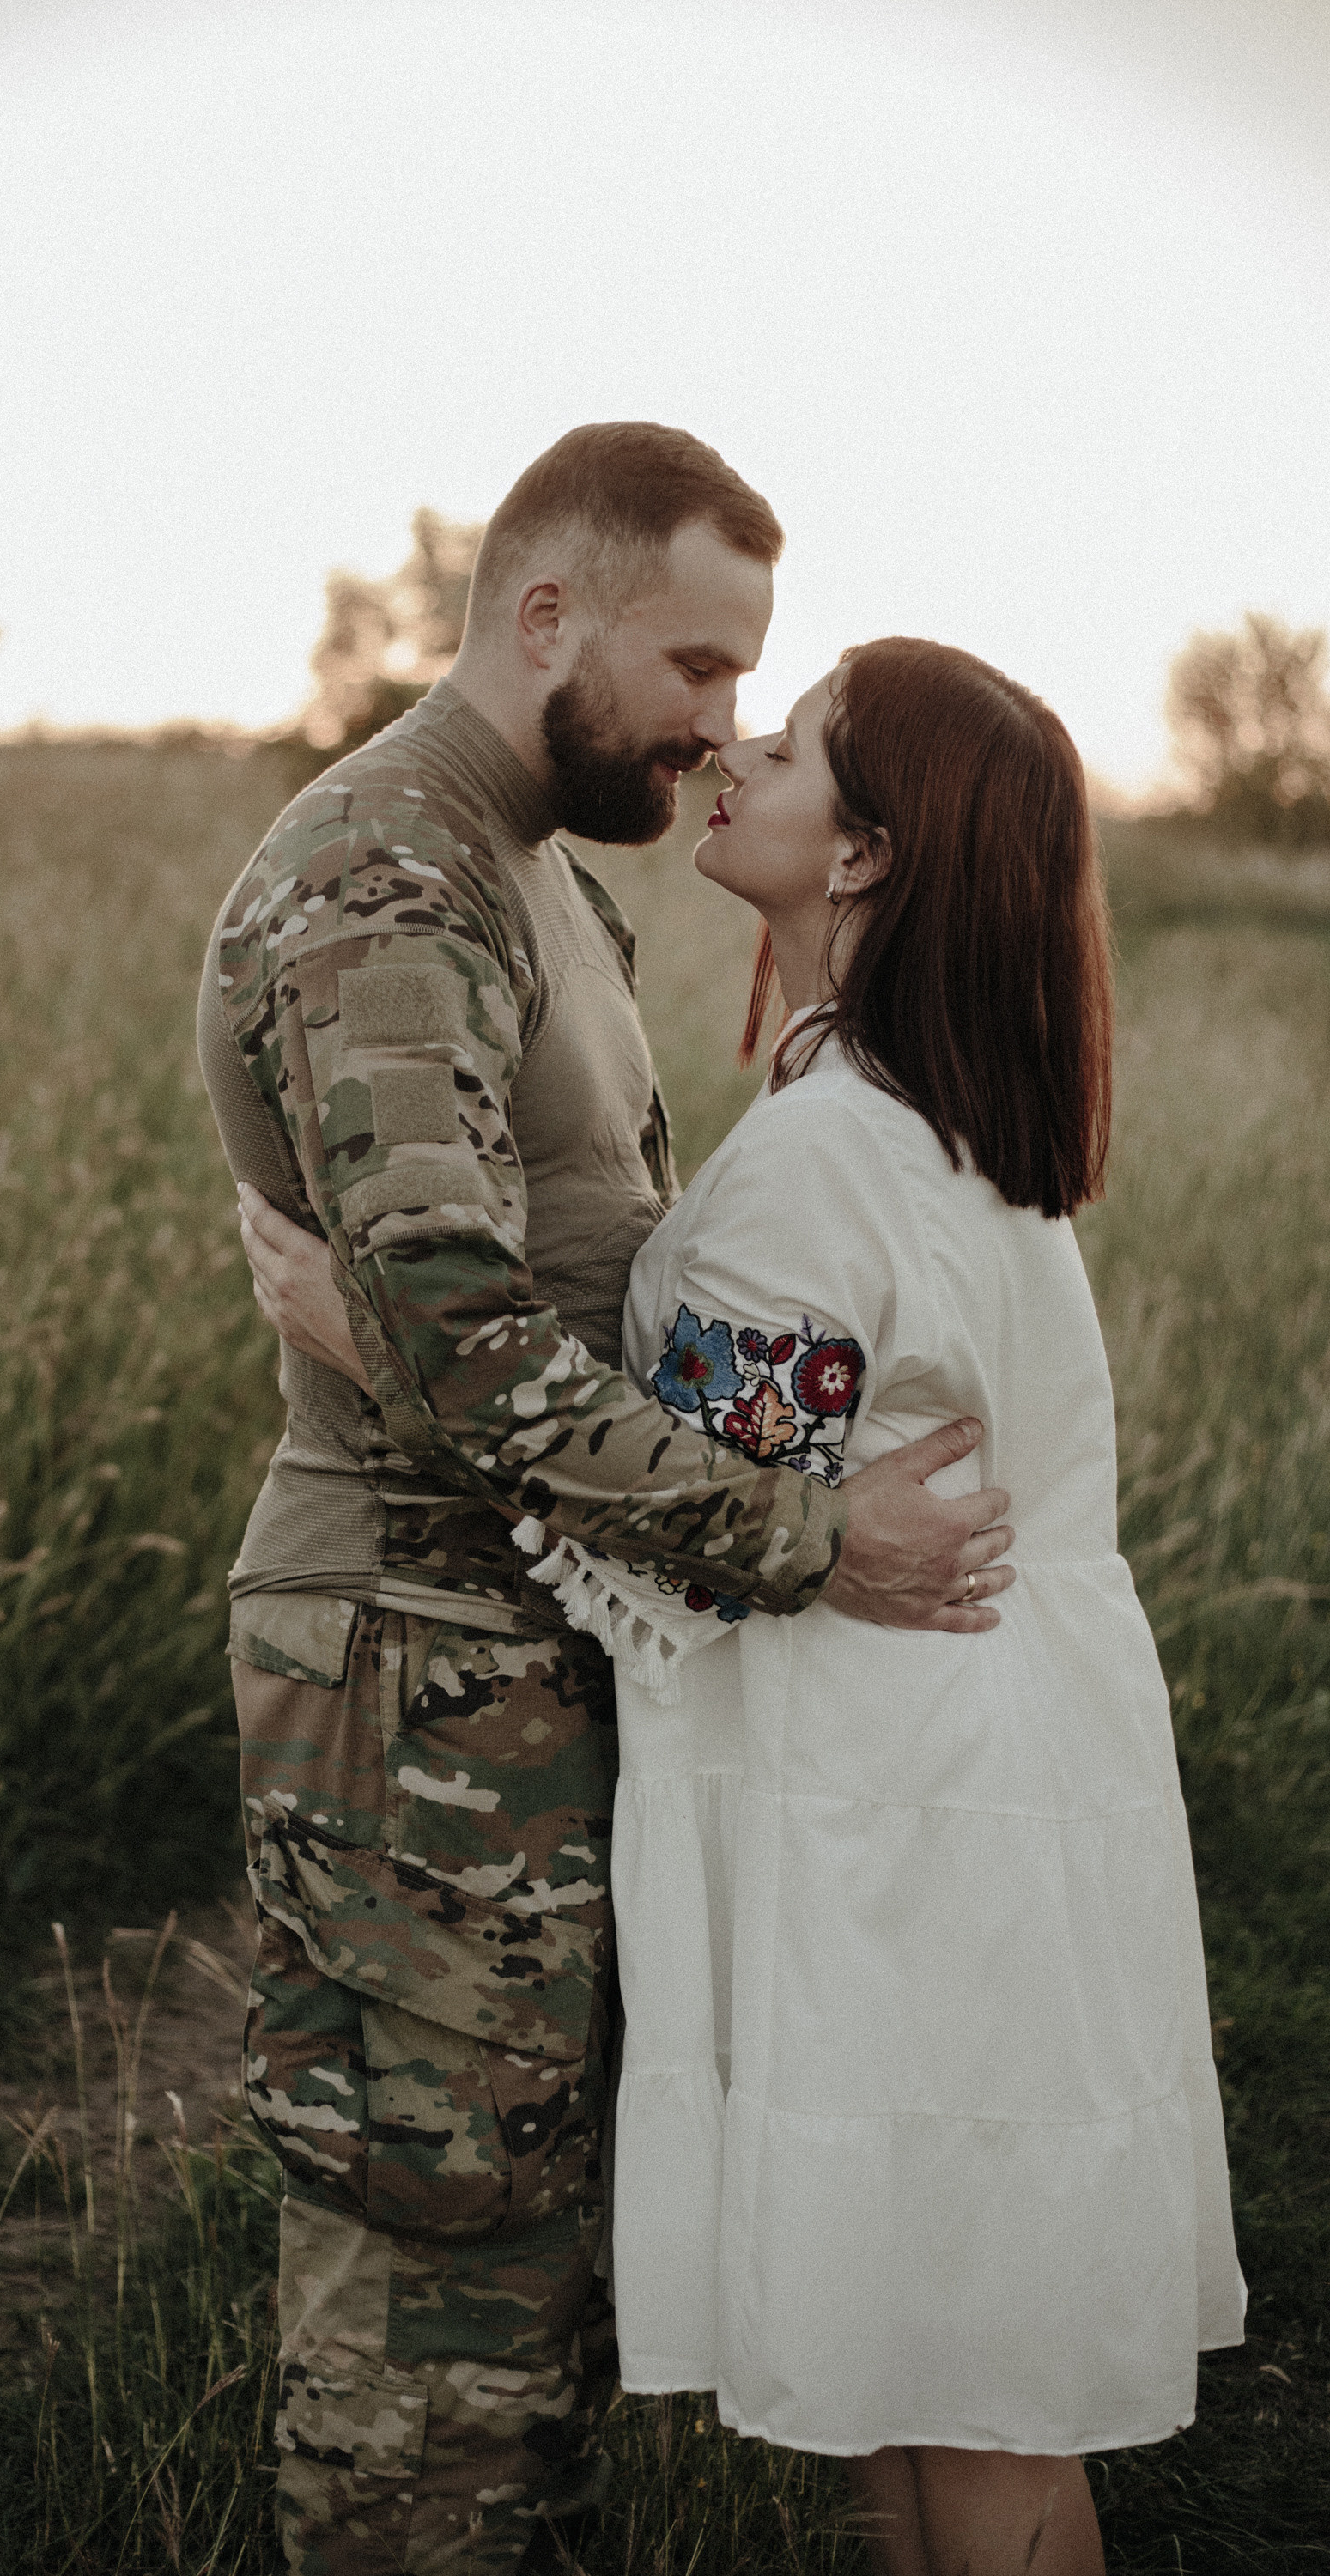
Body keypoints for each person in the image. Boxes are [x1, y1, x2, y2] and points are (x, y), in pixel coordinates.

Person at [251, 639, 1246, 2575]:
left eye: (783, 749)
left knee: (967, 2401)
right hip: (971, 1777)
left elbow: (676, 1540)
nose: (731, 753)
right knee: (925, 2369)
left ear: (864, 855)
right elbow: (747, 1483)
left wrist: (373, 1347)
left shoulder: (817, 1165)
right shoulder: (915, 1111)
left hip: (899, 1820)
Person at [197, 422, 1016, 2576]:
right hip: (409, 1665)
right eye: (694, 667)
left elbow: (555, 1282)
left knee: (530, 2307)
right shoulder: (390, 872)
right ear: (543, 616)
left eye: (749, 686)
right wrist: (818, 1545)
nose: (720, 727)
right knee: (431, 2346)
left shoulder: (543, 880)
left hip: (526, 1654)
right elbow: (458, 1333)